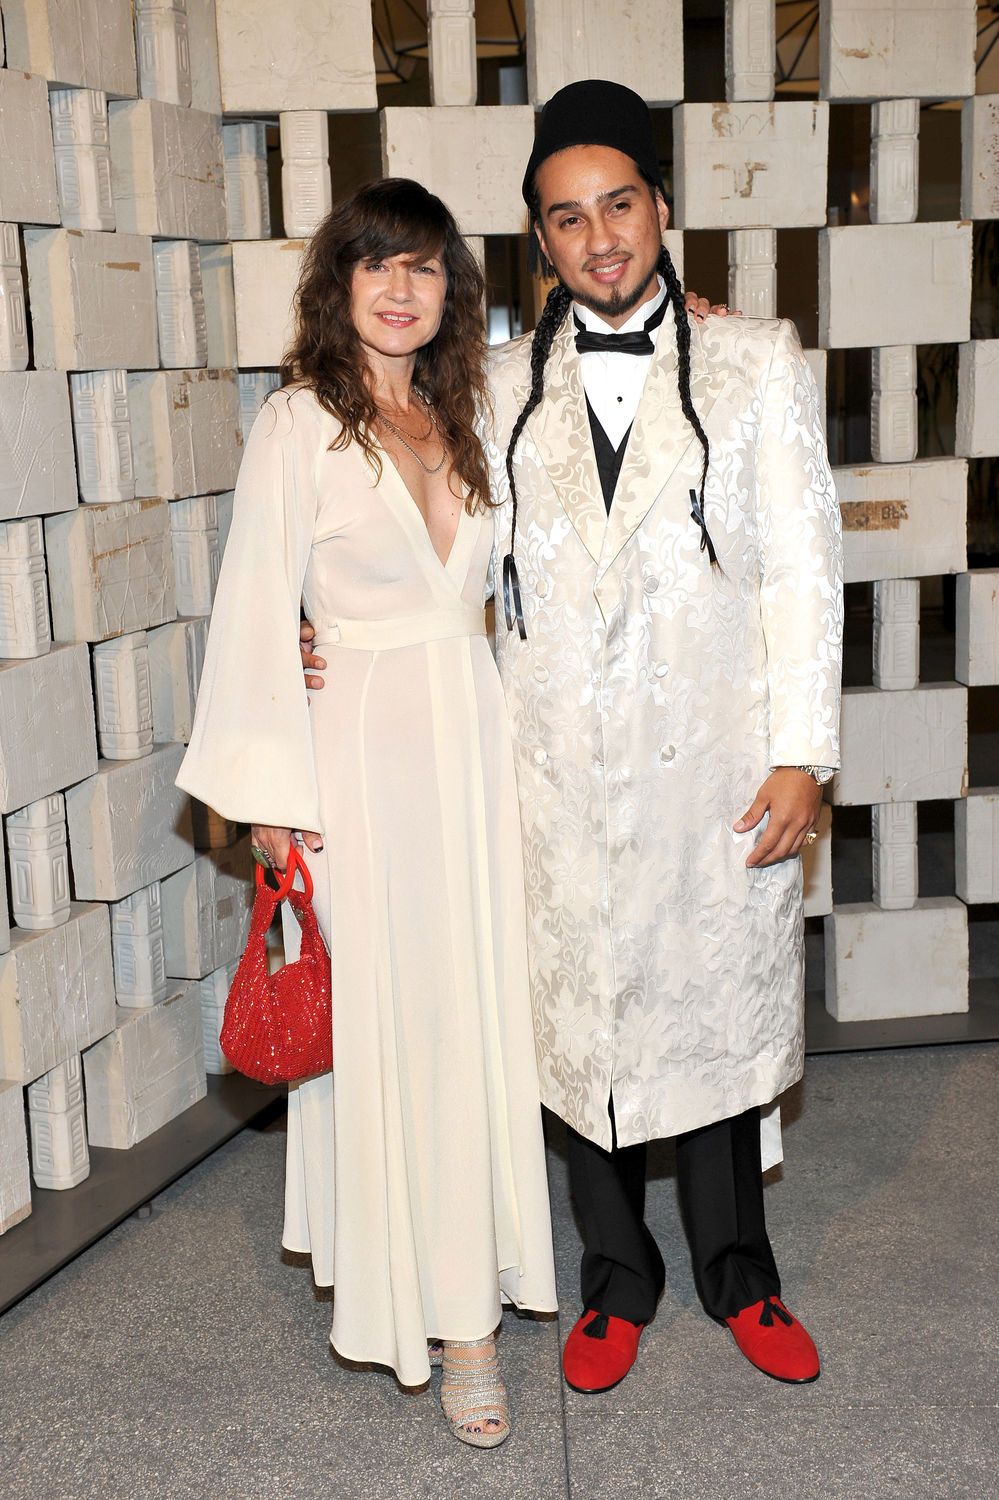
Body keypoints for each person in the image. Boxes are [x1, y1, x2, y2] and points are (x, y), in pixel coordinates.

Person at [177, 178, 559, 1449]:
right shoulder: (297, 425)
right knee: (405, 1034)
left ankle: (481, 1269)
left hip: (478, 749)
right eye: (375, 265)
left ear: (454, 288)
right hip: (357, 777)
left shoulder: (478, 404)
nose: (402, 288)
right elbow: (250, 612)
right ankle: (453, 1329)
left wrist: (694, 310)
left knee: (481, 1021)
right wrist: (275, 809)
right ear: (339, 283)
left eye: (427, 267)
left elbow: (599, 341)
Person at [481, 80, 844, 1393]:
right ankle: (611, 1279)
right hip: (555, 778)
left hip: (714, 768)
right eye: (564, 218)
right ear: (539, 240)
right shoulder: (494, 388)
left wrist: (802, 749)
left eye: (617, 204)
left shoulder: (756, 363)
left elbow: (804, 569)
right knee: (577, 1031)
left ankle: (739, 1274)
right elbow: (439, 556)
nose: (597, 237)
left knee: (716, 1026)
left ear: (660, 208)